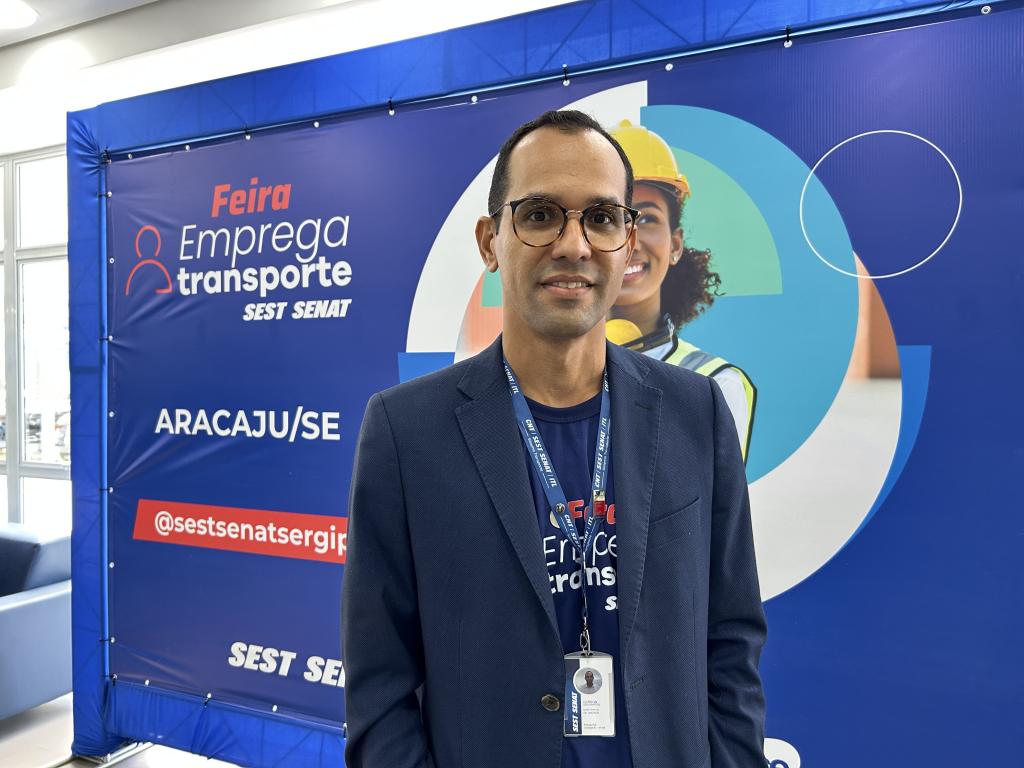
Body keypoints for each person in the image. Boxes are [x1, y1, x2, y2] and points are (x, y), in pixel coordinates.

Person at [342, 109, 767, 768]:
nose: (574, 245)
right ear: (490, 241)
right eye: (540, 215)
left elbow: (731, 639)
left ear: (627, 242)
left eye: (601, 218)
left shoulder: (698, 411)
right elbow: (380, 684)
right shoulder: (406, 431)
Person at [608, 120, 756, 462]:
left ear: (675, 245)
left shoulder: (716, 384)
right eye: (610, 219)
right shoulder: (549, 373)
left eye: (647, 219)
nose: (630, 242)